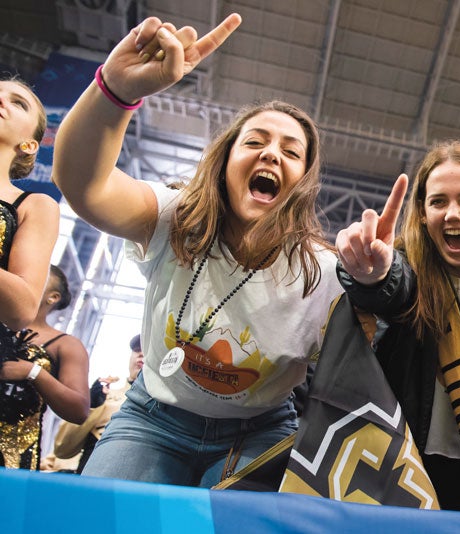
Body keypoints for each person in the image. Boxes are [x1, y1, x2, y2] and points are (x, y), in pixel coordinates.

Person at [52, 14, 344, 487]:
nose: (272, 154)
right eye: (255, 141)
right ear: (226, 160)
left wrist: (380, 279)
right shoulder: (174, 218)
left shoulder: (323, 273)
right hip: (153, 418)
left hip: (260, 432)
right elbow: (84, 187)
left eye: (292, 152)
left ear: (304, 184)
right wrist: (115, 92)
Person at [335, 141, 460, 514]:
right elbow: (391, 284)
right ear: (422, 214)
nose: (452, 213)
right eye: (438, 202)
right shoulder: (409, 268)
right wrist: (369, 273)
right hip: (411, 468)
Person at [0, 265, 89, 469]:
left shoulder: (66, 345)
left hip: (12, 457)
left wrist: (33, 372)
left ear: (53, 297)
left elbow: (79, 410)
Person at [1, 76, 60, 356]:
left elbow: (22, 308)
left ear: (29, 145)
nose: (2, 99)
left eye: (18, 103)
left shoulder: (34, 205)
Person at [53, 334, 143, 473]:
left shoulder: (171, 403)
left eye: (148, 350)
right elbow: (62, 448)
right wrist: (92, 406)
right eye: (137, 349)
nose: (141, 354)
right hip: (91, 476)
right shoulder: (107, 396)